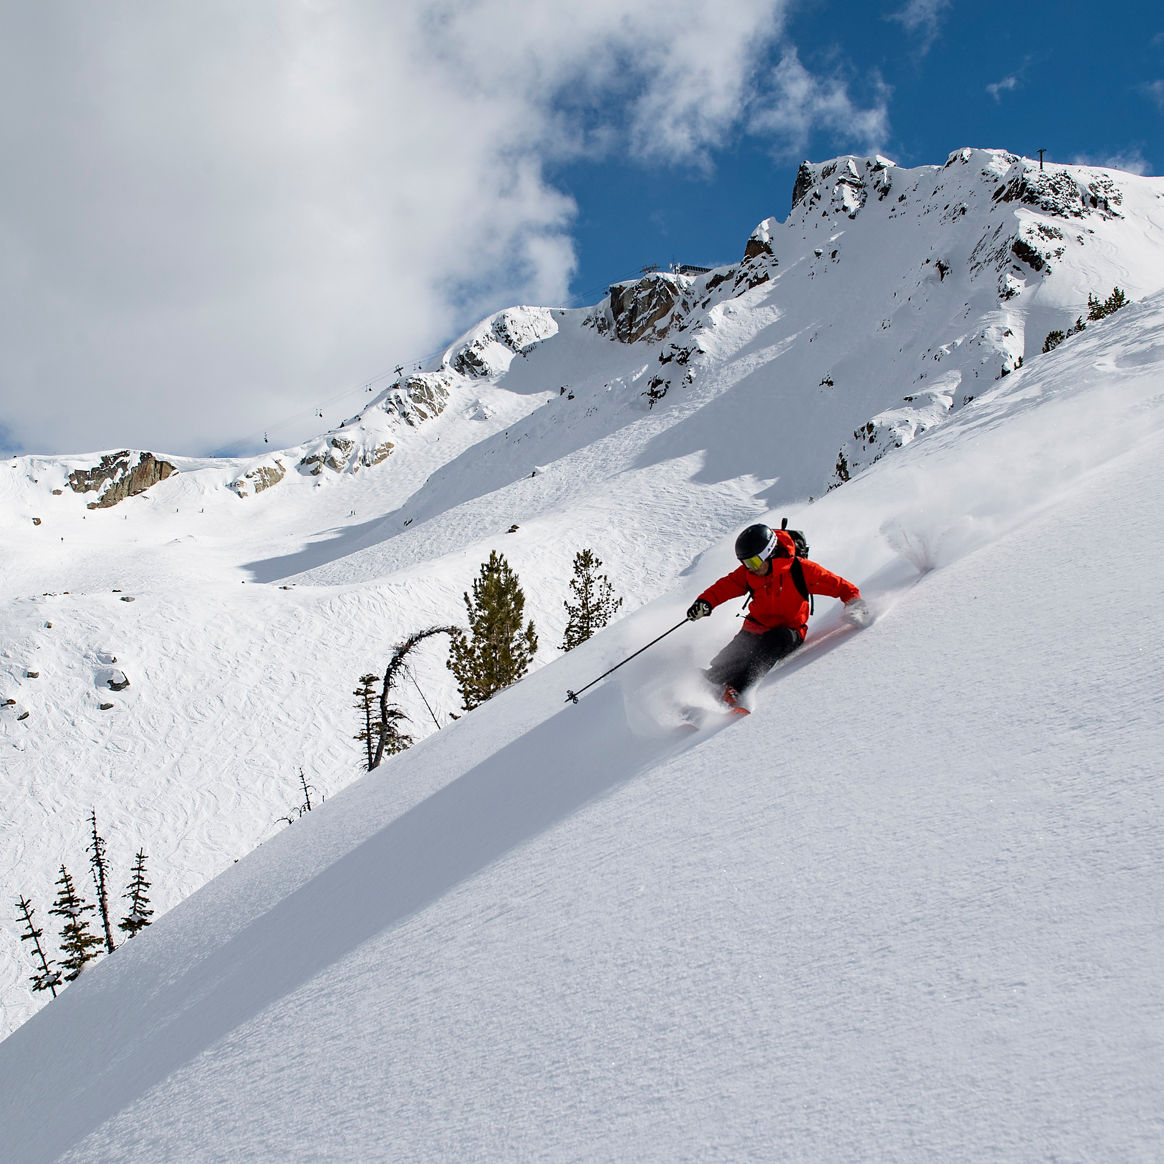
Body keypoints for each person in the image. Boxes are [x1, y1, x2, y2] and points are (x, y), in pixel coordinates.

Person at [686, 523, 871, 709]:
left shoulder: (801, 570)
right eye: (746, 563)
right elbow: (724, 587)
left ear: (769, 553)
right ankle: (707, 686)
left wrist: (854, 603)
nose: (750, 568)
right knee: (732, 658)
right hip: (756, 626)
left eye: (754, 562)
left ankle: (737, 691)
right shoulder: (749, 574)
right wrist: (705, 603)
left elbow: (840, 586)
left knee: (770, 644)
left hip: (789, 631)